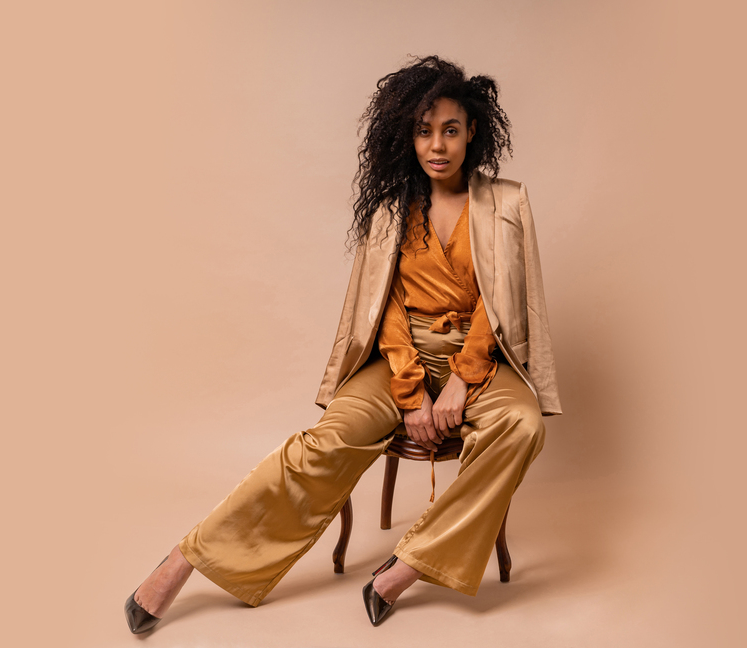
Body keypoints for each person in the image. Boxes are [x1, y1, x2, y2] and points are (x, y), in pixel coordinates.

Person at [124, 55, 562, 633]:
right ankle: (189, 556)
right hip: (399, 359)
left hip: (477, 359)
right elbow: (380, 308)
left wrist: (460, 380)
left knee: (524, 424)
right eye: (423, 130)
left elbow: (501, 304)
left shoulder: (507, 202)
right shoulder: (388, 210)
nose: (437, 145)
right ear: (406, 135)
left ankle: (407, 566)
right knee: (323, 444)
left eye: (450, 130)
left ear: (472, 131)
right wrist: (410, 391)